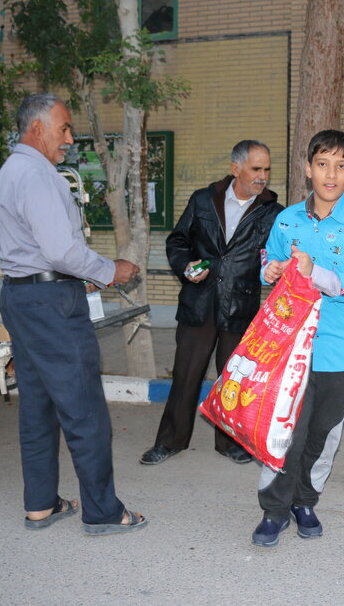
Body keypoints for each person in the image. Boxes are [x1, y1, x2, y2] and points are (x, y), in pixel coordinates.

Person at [0, 93, 146, 535]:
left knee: (37, 407)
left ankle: (40, 504)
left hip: (22, 299)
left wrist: (85, 273)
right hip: (52, 304)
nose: (70, 139)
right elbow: (60, 251)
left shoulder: (7, 174)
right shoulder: (37, 176)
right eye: (64, 129)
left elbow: (41, 250)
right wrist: (109, 271)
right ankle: (103, 512)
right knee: (84, 409)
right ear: (36, 128)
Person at [253, 130, 344, 547]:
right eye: (323, 164)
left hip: (339, 353)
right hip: (288, 349)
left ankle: (305, 502)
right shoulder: (286, 218)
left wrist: (318, 275)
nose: (331, 174)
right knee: (283, 433)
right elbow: (268, 258)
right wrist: (269, 272)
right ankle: (274, 511)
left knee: (322, 435)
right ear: (308, 169)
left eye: (341, 166)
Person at [140, 140, 283, 466]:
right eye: (255, 169)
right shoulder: (203, 200)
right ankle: (170, 441)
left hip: (241, 306)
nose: (263, 176)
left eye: (267, 169)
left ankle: (231, 443)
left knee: (234, 378)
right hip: (199, 303)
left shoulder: (274, 212)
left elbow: (278, 258)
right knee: (185, 375)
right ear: (236, 168)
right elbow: (178, 240)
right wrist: (185, 266)